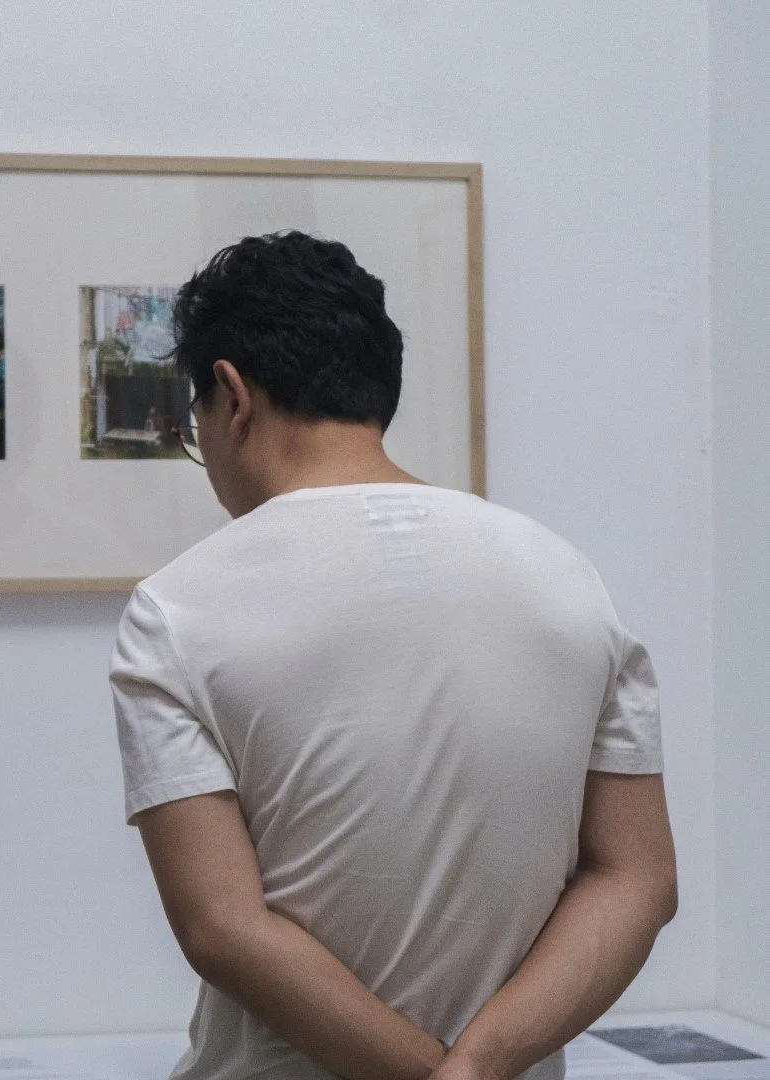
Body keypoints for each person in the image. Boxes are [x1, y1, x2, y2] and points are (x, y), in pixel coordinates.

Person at [113, 232, 677, 1080]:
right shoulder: (567, 577)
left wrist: (425, 1071)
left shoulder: (176, 609)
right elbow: (636, 879)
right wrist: (476, 1065)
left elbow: (222, 927)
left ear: (231, 395)